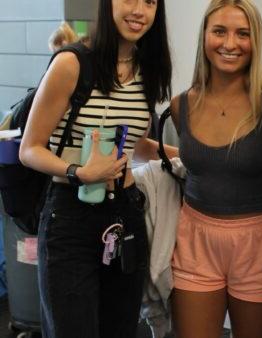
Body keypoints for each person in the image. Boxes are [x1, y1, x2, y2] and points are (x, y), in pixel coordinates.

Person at [19, 0, 175, 337]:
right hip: (70, 216)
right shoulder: (72, 63)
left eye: (149, 2)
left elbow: (134, 144)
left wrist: (193, 157)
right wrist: (79, 172)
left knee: (119, 328)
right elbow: (29, 149)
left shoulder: (148, 69)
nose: (139, 11)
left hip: (125, 213)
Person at [168, 1, 262, 337]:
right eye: (219, 31)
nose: (230, 44)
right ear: (204, 36)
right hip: (195, 240)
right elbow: (204, 162)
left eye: (242, 34)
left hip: (259, 243)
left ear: (255, 41)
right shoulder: (182, 105)